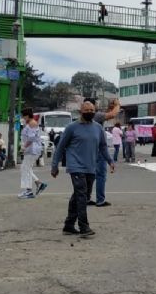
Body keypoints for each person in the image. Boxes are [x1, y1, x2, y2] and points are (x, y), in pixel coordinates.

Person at [51, 100, 114, 238]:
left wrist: (110, 160)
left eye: (92, 111)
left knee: (82, 196)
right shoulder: (71, 128)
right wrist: (54, 165)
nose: (90, 113)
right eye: (87, 110)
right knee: (81, 195)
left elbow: (103, 146)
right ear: (81, 111)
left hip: (91, 167)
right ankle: (84, 226)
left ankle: (68, 225)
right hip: (75, 166)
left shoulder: (98, 128)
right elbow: (61, 147)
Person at [19, 108, 47, 199]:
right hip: (31, 150)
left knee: (25, 169)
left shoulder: (32, 123)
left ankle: (28, 191)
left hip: (32, 150)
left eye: (23, 116)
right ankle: (38, 183)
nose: (22, 118)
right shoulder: (31, 123)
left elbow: (31, 138)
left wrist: (24, 147)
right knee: (26, 168)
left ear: (27, 115)